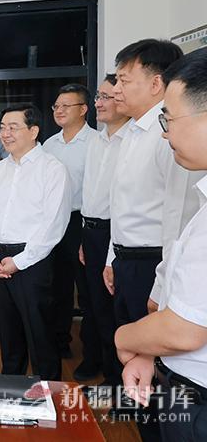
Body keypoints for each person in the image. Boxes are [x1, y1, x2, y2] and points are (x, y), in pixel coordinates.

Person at [115, 47, 207, 441]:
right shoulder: (132, 135)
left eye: (169, 118)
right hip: (181, 374)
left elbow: (185, 329)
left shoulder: (166, 149)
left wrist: (125, 337)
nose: (166, 131)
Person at [0, 103, 72, 381]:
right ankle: (11, 386)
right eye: (2, 128)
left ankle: (48, 393)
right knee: (8, 333)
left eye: (13, 127)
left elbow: (53, 225)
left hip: (33, 262)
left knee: (40, 334)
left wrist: (19, 262)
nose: (5, 133)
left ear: (34, 131)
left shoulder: (52, 169)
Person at [78, 74, 131, 417]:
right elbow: (90, 191)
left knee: (119, 314)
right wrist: (86, 236)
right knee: (97, 308)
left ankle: (127, 390)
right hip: (92, 232)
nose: (98, 103)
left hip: (119, 235)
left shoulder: (133, 140)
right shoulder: (97, 141)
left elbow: (123, 204)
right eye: (97, 96)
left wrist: (110, 249)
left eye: (106, 97)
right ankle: (111, 381)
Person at [42, 83, 99, 371]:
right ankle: (59, 340)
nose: (59, 110)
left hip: (81, 221)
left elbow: (97, 191)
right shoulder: (48, 145)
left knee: (87, 291)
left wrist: (86, 233)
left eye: (66, 105)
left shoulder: (96, 143)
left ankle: (93, 355)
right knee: (55, 286)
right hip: (53, 221)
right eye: (56, 106)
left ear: (83, 109)